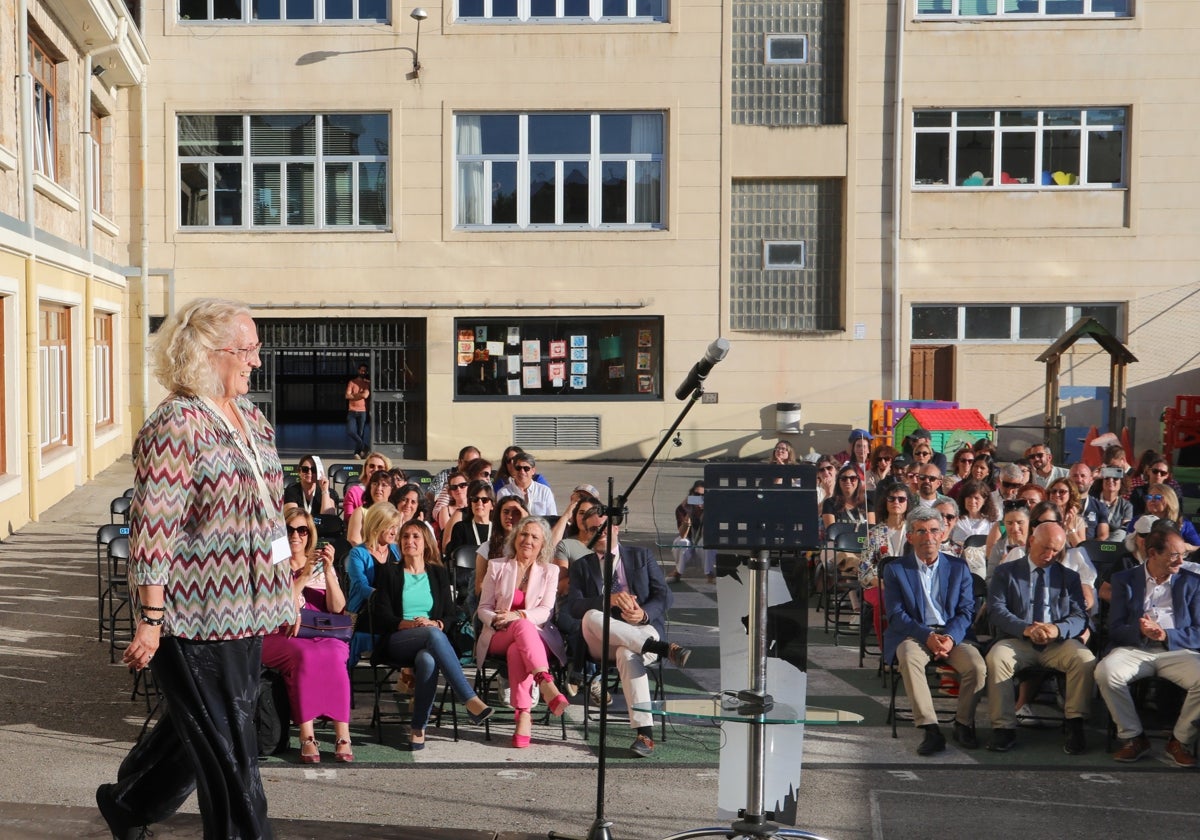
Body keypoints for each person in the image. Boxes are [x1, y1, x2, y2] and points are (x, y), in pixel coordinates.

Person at [96, 298, 293, 840]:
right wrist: (151, 619)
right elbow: (153, 532)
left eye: (256, 348)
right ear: (207, 353)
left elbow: (269, 510)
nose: (256, 360)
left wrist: (286, 587)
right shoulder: (176, 425)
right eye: (246, 350)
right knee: (232, 754)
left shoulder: (249, 417)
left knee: (204, 732)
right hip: (194, 620)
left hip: (246, 612)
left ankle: (129, 803)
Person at [566, 506, 690, 758]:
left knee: (626, 653)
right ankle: (664, 649)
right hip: (600, 639)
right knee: (590, 615)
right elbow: (575, 607)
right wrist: (608, 600)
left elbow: (665, 595)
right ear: (586, 533)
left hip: (641, 630)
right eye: (592, 529)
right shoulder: (581, 565)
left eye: (603, 527)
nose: (599, 533)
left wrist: (643, 614)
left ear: (615, 527)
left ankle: (645, 735)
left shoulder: (640, 555)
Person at [369, 521, 495, 750]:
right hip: (398, 639)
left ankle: (418, 728)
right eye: (405, 536)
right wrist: (411, 624)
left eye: (416, 536)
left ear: (426, 541)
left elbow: (450, 615)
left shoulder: (437, 572)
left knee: (427, 659)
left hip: (430, 639)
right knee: (431, 635)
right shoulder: (389, 572)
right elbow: (382, 616)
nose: (409, 541)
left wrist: (435, 623)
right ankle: (469, 698)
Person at [984, 522, 1096, 755]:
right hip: (1018, 639)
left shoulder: (1069, 577)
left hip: (1057, 641)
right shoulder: (1007, 572)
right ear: (1031, 541)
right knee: (997, 658)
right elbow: (996, 610)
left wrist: (1057, 629)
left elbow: (1079, 615)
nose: (1050, 555)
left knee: (1084, 659)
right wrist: (1026, 628)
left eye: (1056, 551)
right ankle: (1003, 727)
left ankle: (1074, 722)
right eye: (1045, 548)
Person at [883, 507, 986, 755]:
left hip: (953, 635)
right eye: (921, 531)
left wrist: (949, 638)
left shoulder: (959, 567)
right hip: (914, 635)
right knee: (908, 657)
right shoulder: (896, 569)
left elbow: (966, 611)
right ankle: (930, 729)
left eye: (933, 531)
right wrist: (927, 637)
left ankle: (963, 723)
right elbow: (897, 616)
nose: (928, 537)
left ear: (942, 535)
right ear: (910, 537)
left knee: (977, 667)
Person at [1095, 525, 1200, 766]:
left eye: (1183, 554)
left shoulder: (1192, 582)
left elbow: (1198, 632)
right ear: (1152, 553)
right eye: (1174, 555)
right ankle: (1133, 737)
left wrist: (1165, 635)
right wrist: (1140, 631)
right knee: (1106, 671)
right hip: (1135, 648)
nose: (1181, 560)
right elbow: (1116, 628)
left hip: (1177, 649)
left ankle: (1180, 740)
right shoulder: (1125, 580)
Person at [262, 509, 352, 764]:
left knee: (334, 654)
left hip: (321, 630)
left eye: (302, 530)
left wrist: (328, 569)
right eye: (290, 530)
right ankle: (307, 736)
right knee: (305, 655)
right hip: (281, 633)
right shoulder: (274, 564)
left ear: (309, 534)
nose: (296, 536)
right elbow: (278, 606)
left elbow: (336, 607)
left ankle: (342, 735)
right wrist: (304, 575)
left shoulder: (320, 564)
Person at [475, 516, 570, 748]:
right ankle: (545, 682)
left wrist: (517, 616)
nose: (527, 540)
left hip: (533, 638)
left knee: (518, 647)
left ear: (543, 545)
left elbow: (545, 611)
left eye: (534, 537)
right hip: (498, 633)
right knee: (521, 628)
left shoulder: (550, 571)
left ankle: (524, 715)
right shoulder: (497, 566)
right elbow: (482, 608)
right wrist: (498, 619)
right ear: (515, 537)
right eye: (524, 534)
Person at [345, 502, 402, 667]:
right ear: (377, 525)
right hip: (366, 611)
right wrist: (385, 598)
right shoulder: (358, 553)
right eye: (390, 527)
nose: (394, 532)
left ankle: (408, 678)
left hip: (393, 611)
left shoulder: (397, 551)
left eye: (396, 527)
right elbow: (362, 587)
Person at [671, 480, 715, 584]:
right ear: (691, 494)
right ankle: (678, 572)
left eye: (703, 495)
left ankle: (710, 574)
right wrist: (689, 512)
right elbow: (683, 534)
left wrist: (707, 511)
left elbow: (708, 534)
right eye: (696, 494)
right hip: (689, 542)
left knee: (706, 542)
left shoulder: (712, 509)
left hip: (703, 545)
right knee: (682, 542)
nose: (699, 498)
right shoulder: (682, 508)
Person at [1139, 484, 1200, 550]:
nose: (1152, 500)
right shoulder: (1138, 521)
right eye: (1149, 497)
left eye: (1157, 497)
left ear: (1170, 500)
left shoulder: (1184, 523)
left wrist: (1183, 546)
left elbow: (1197, 545)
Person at [496, 450, 557, 516]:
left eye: (526, 468)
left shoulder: (544, 492)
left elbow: (552, 518)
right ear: (514, 470)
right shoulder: (504, 493)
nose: (522, 472)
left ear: (533, 471)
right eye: (518, 468)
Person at [345, 469, 393, 546]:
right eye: (375, 484)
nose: (379, 488)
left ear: (391, 489)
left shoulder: (395, 513)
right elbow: (354, 542)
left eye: (384, 485)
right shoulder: (360, 512)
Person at [342, 451, 392, 523]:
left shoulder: (389, 491)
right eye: (372, 466)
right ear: (365, 468)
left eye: (380, 467)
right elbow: (349, 518)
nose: (375, 469)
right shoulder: (353, 492)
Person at [1068, 463, 1110, 541]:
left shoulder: (1100, 507)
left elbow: (1103, 536)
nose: (1079, 480)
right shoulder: (1062, 503)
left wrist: (1087, 547)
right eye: (1075, 476)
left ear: (1091, 480)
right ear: (1069, 479)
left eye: (1083, 476)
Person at [1095, 466, 1133, 543]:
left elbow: (1124, 531)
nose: (1111, 480)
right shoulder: (1093, 500)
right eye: (1107, 478)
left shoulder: (1126, 506)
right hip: (1092, 543)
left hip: (1114, 546)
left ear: (1121, 482)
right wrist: (1093, 476)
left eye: (1115, 478)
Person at [345, 363, 371, 459]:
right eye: (361, 370)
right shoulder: (352, 382)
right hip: (352, 410)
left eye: (365, 370)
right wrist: (359, 395)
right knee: (350, 431)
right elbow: (347, 396)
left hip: (363, 411)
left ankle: (357, 453)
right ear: (358, 370)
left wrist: (354, 395)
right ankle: (364, 446)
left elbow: (365, 395)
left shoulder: (367, 383)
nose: (363, 372)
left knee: (361, 433)